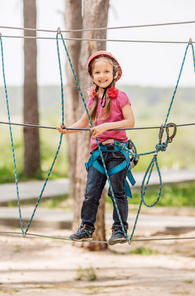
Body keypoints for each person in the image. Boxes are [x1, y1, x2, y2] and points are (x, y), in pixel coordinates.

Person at [56, 51, 135, 245]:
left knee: (117, 191)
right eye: (97, 72)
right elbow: (83, 122)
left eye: (106, 71)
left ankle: (119, 230)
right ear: (92, 76)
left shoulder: (121, 97)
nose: (102, 75)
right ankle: (87, 227)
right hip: (98, 154)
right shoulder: (92, 99)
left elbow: (130, 122)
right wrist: (66, 130)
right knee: (91, 192)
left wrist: (106, 126)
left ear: (115, 74)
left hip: (117, 152)